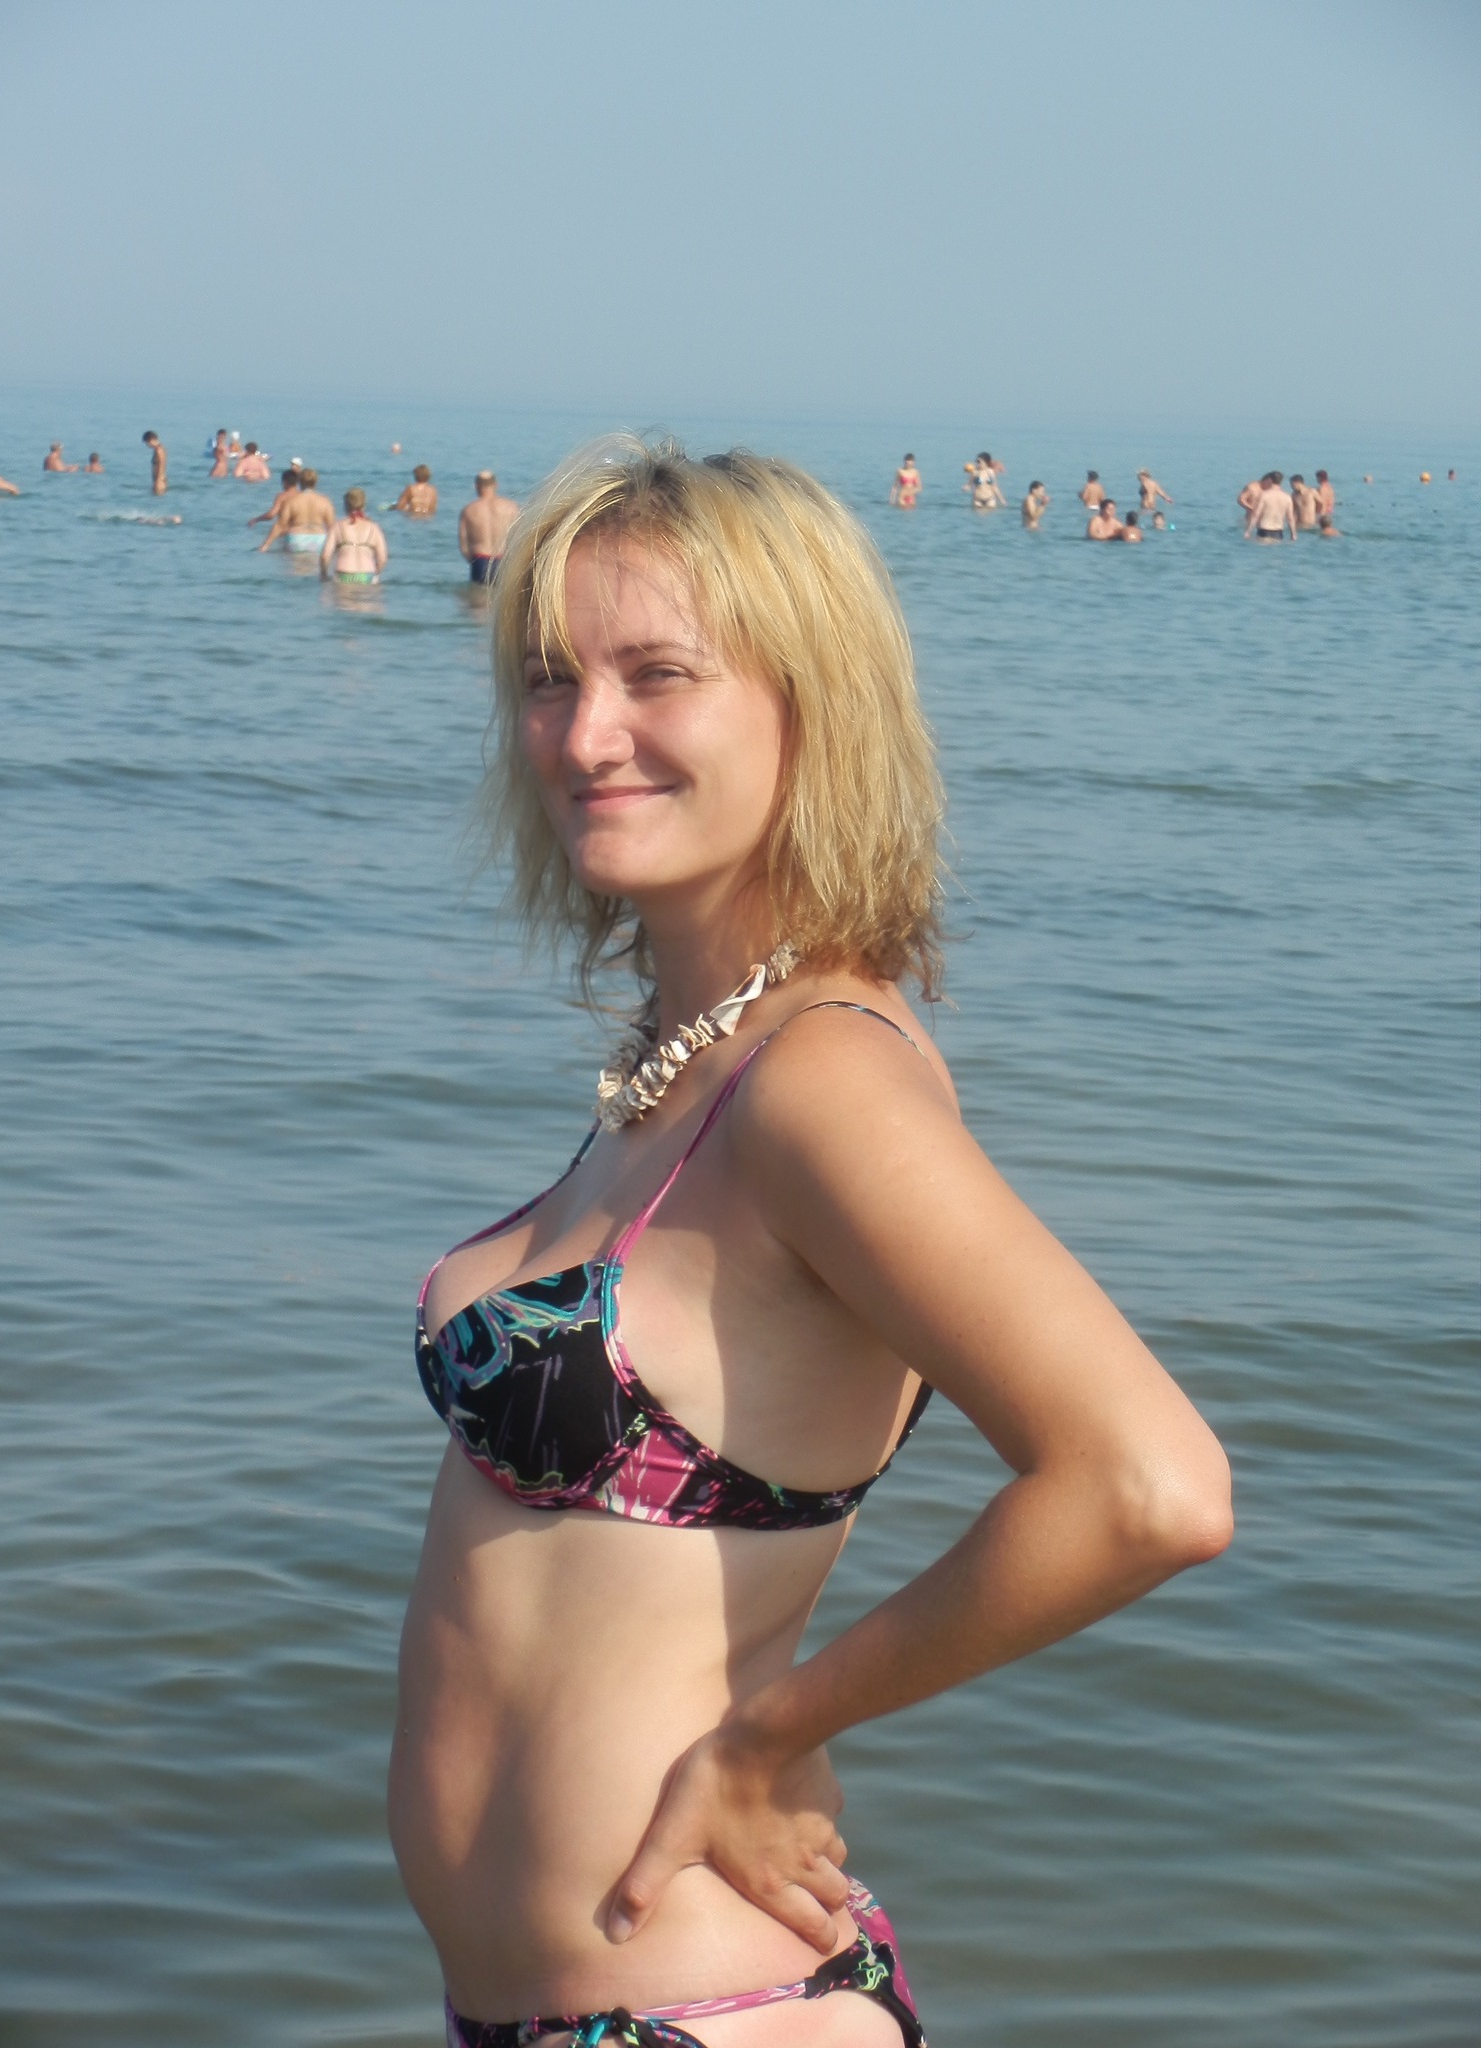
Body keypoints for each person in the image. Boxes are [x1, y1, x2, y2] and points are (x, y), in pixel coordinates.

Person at [391, 438, 1233, 2048]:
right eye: (552, 679)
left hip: (710, 2013)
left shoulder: (820, 1082)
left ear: (813, 705)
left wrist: (767, 1737)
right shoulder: (693, 1057)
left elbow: (1150, 1488)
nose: (588, 732)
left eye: (658, 676)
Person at [460, 469, 520, 582]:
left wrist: (474, 562)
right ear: (496, 485)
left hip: (480, 561)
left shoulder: (469, 510)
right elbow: (519, 538)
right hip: (503, 560)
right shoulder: (511, 507)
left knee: (479, 593)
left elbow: (464, 546)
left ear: (477, 486)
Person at [262, 467, 337, 554]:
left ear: (299, 482)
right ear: (316, 482)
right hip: (319, 539)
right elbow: (332, 527)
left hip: (296, 539)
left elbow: (280, 525)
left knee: (293, 561)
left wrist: (265, 545)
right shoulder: (325, 501)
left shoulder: (292, 501)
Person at [320, 486, 387, 583]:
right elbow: (382, 558)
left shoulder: (337, 527)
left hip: (343, 574)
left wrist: (324, 574)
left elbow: (325, 556)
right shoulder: (374, 528)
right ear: (363, 505)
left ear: (346, 505)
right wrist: (376, 573)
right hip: (367, 575)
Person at [1248, 472, 1296, 541]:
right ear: (1281, 481)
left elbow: (1256, 514)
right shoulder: (1287, 497)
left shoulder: (1263, 495)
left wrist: (1248, 531)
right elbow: (1290, 518)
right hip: (1278, 532)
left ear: (1270, 480)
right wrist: (1293, 534)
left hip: (1264, 530)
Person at [142, 430, 167, 496]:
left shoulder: (159, 450)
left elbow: (161, 465)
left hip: (159, 480)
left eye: (147, 442)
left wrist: (157, 482)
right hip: (161, 479)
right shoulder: (160, 448)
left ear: (152, 440)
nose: (147, 445)